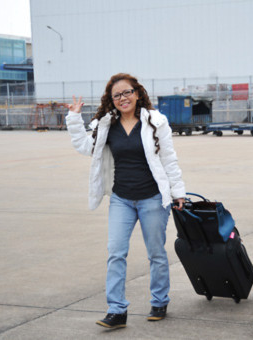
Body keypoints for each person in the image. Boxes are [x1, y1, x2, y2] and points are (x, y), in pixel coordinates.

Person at [65, 73, 186, 329]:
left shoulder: (155, 121)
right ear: (112, 100)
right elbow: (86, 147)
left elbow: (169, 159)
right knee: (116, 253)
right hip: (121, 198)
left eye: (127, 92)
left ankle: (159, 301)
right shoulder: (106, 124)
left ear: (138, 93)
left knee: (156, 253)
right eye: (117, 95)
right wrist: (75, 119)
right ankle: (117, 310)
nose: (123, 98)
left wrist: (178, 192)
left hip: (153, 198)